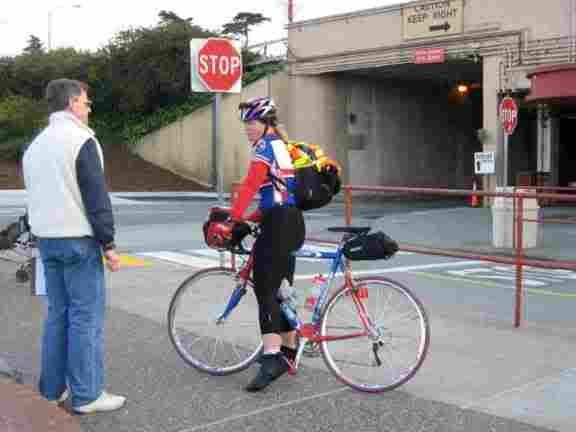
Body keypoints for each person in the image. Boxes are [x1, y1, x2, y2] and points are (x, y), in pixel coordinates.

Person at [22, 79, 126, 414]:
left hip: (47, 241)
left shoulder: (36, 145)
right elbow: (95, 196)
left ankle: (51, 390)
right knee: (85, 317)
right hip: (78, 241)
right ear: (71, 103)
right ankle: (87, 394)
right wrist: (108, 243)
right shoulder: (82, 140)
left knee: (58, 315)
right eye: (85, 102)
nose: (88, 107)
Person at [229, 96, 305, 392]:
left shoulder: (264, 147)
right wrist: (251, 218)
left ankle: (271, 357)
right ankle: (288, 351)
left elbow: (251, 183)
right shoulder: (282, 146)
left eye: (251, 123)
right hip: (291, 222)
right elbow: (278, 194)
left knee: (265, 289)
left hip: (279, 225)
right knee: (282, 290)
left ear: (265, 123)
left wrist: (234, 217)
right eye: (245, 123)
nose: (247, 128)